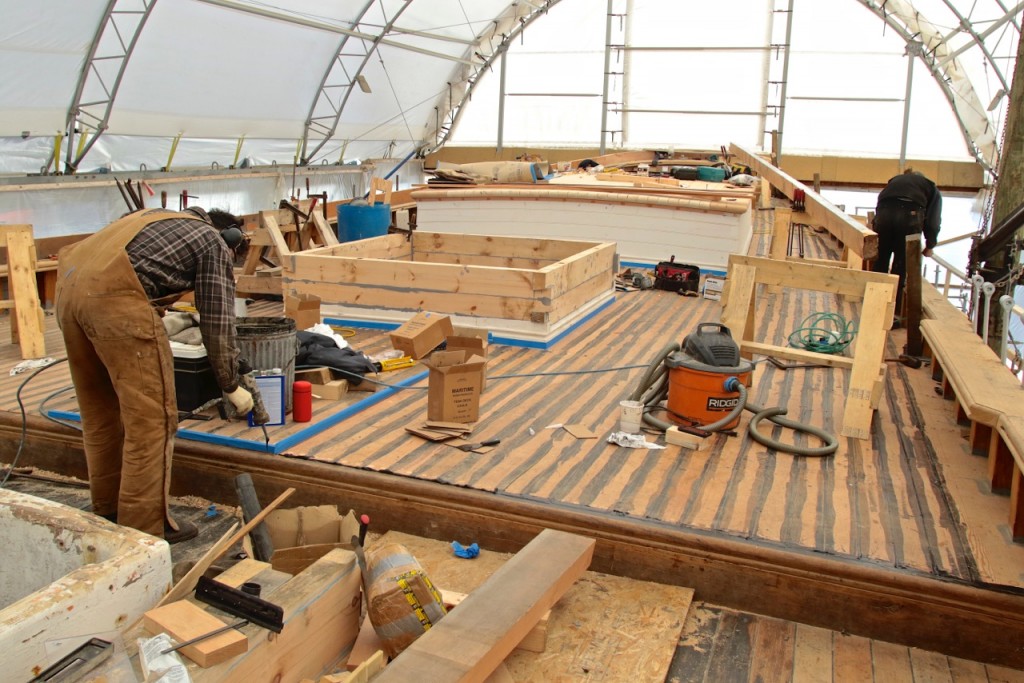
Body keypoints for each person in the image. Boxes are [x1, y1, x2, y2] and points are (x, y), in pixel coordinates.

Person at [55, 206, 254, 543]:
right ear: (230, 238)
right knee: (151, 421)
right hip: (113, 306)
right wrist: (231, 384)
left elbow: (137, 271)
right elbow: (217, 323)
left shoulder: (155, 218)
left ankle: (107, 508)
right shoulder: (213, 243)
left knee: (101, 412)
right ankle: (143, 527)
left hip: (67, 292)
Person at [871, 169, 942, 312]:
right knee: (900, 264)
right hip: (909, 214)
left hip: (884, 212)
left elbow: (880, 203)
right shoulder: (931, 188)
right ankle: (892, 312)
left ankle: (873, 306)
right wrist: (930, 245)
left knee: (881, 260)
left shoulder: (895, 180)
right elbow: (933, 221)